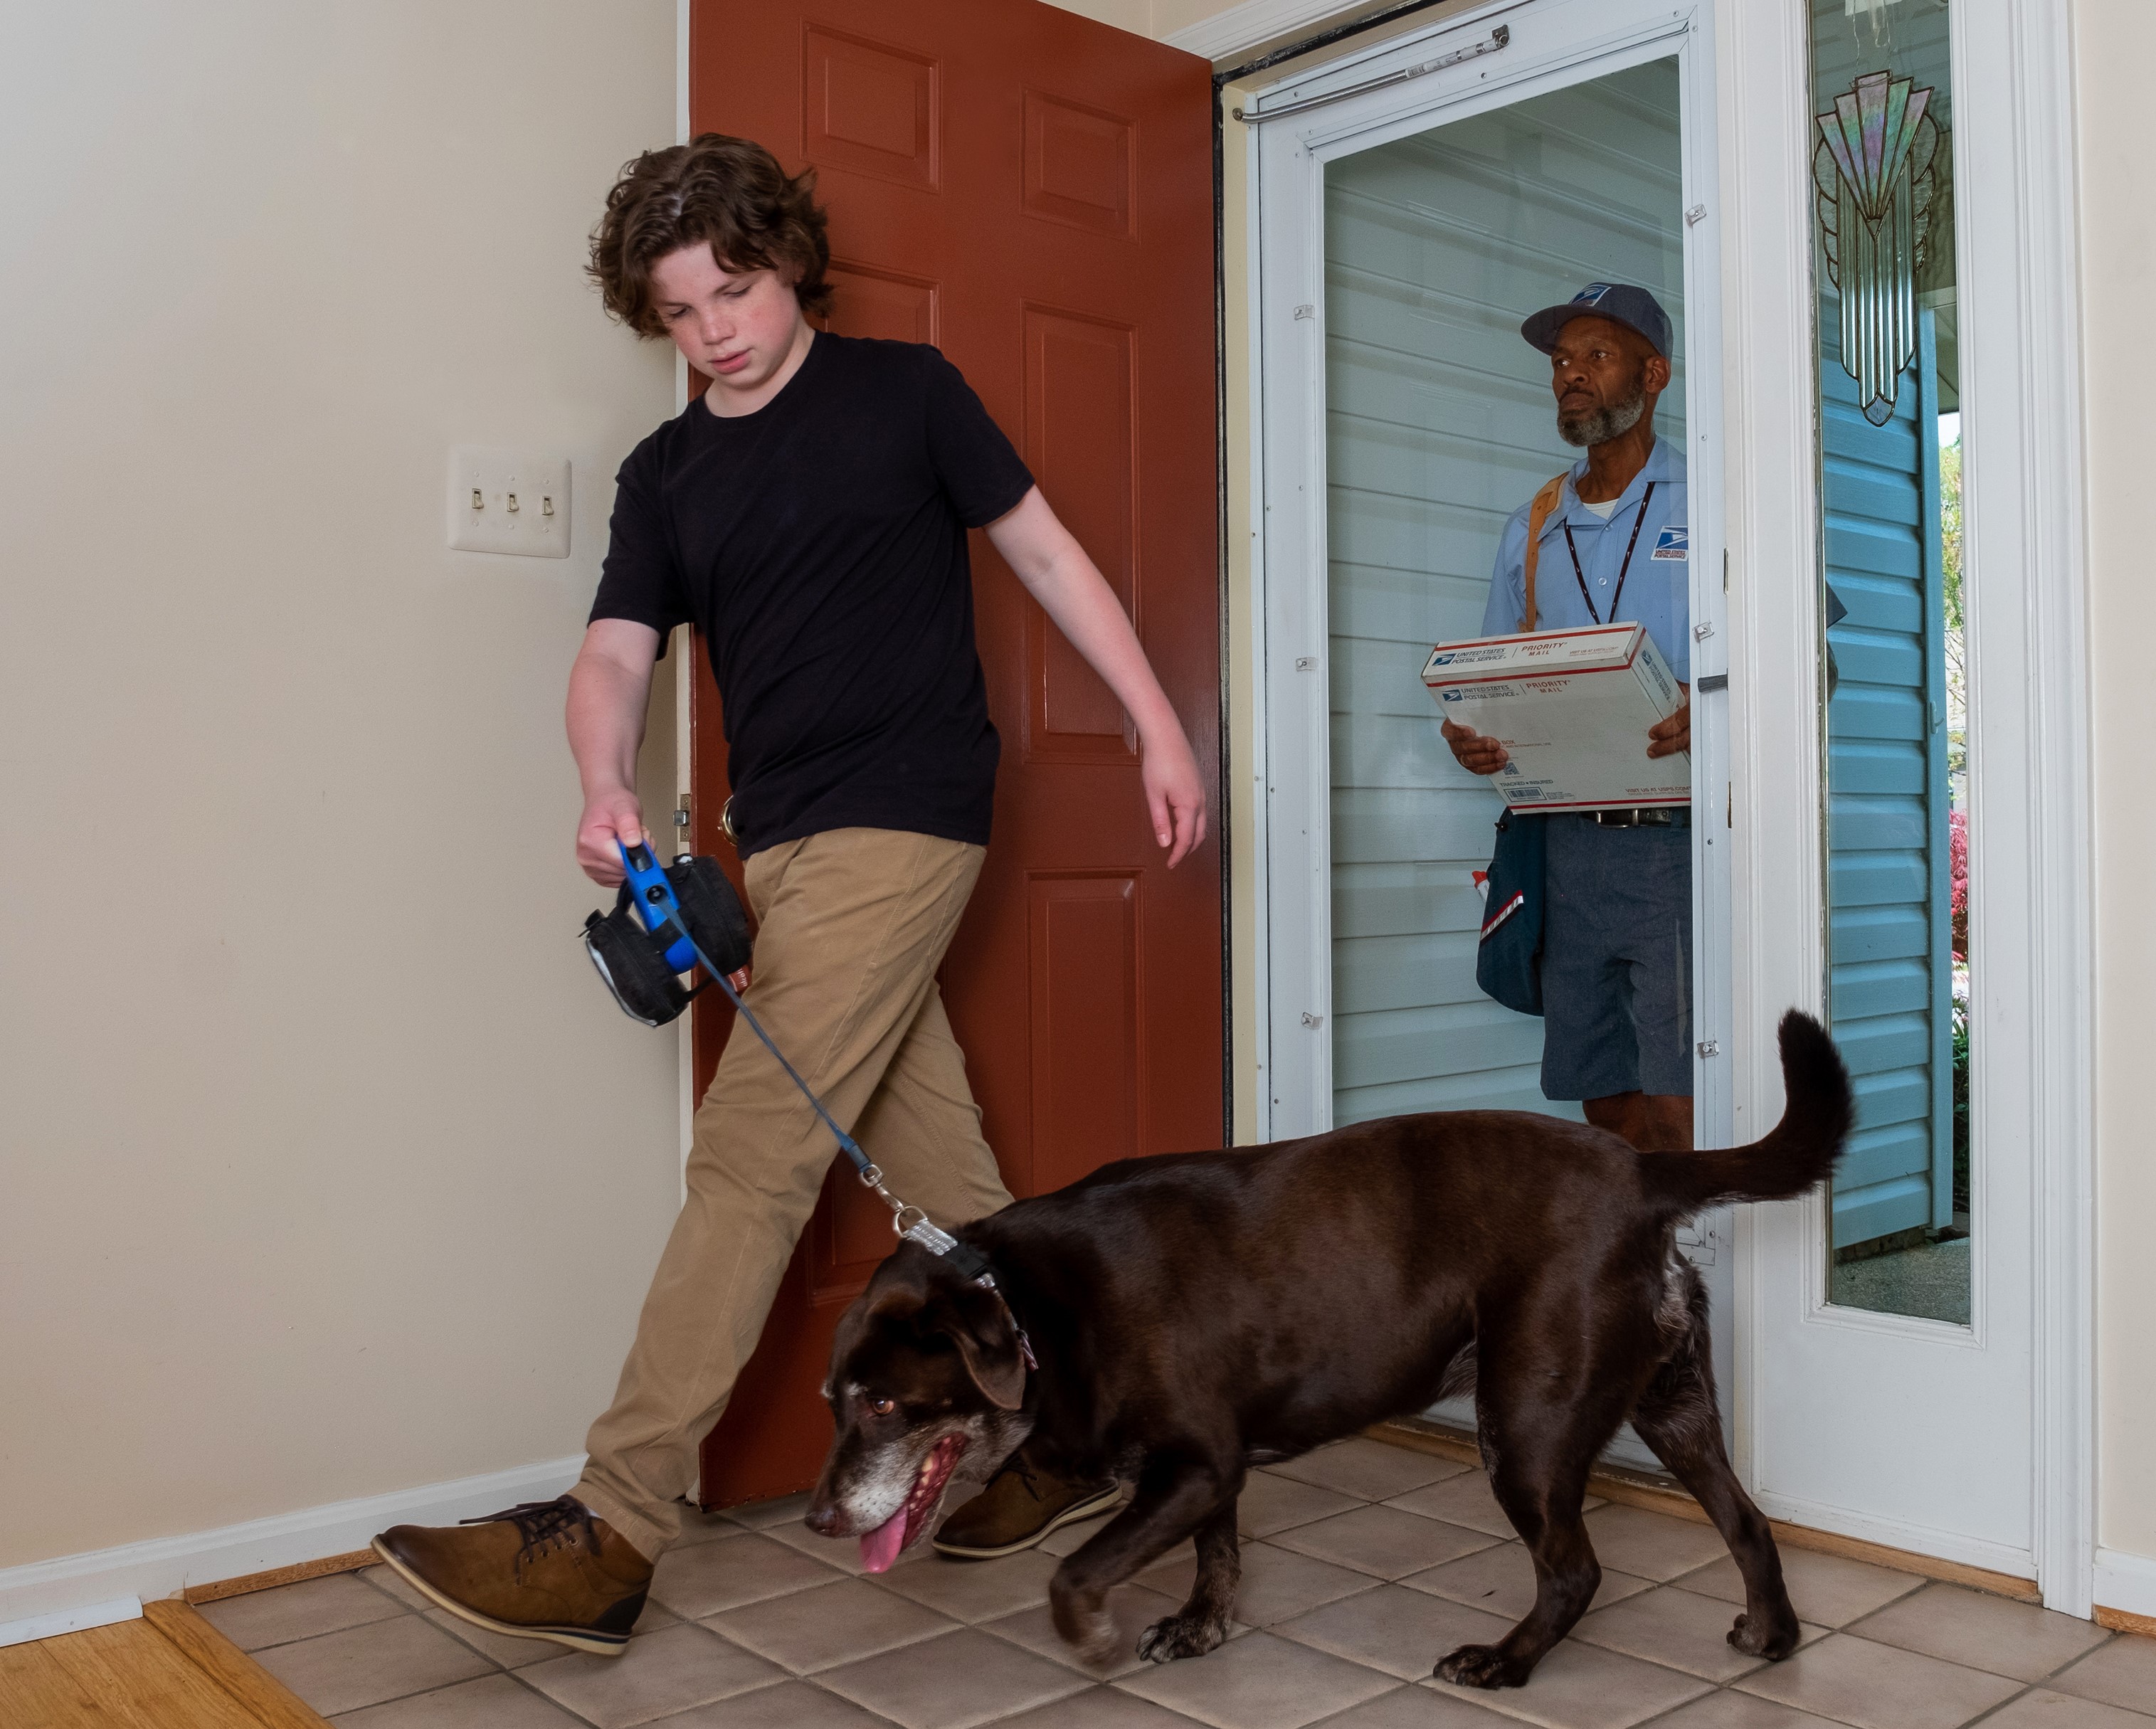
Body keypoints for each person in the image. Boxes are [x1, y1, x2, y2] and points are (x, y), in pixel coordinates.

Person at [371, 134, 1208, 1656]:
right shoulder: (669, 473)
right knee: (954, 1192)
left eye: (736, 289)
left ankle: (610, 1527)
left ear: (790, 262)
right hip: (785, 845)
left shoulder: (909, 397)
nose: (719, 331)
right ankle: (1099, 1436)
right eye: (683, 311)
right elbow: (614, 652)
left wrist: (1157, 722)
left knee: (749, 1161)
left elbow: (1047, 554)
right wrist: (601, 779)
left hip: (911, 815)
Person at [1442, 283, 1693, 1154]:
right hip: (1568, 848)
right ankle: (1639, 1278)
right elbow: (1483, 683)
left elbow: (1816, 665)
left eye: (1596, 356)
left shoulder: (1722, 501)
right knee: (1603, 1098)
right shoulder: (1532, 525)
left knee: (1682, 1097)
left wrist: (1718, 710)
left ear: (1654, 373)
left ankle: (1701, 1275)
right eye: (1560, 362)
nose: (1571, 376)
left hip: (1679, 841)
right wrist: (1470, 732)